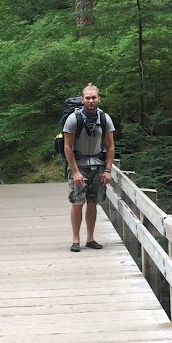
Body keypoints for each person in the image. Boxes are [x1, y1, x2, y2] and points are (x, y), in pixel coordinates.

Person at [63, 84, 116, 252]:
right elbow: (67, 147)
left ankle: (91, 238)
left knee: (93, 202)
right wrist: (76, 172)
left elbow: (110, 146)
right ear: (83, 99)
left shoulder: (105, 119)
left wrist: (108, 170)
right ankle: (75, 240)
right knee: (77, 202)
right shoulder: (73, 119)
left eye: (94, 97)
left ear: (99, 99)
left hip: (98, 166)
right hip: (78, 166)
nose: (91, 100)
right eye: (88, 98)